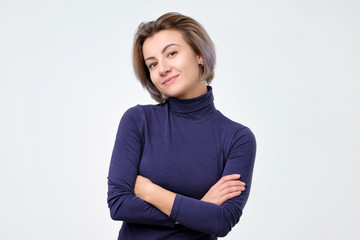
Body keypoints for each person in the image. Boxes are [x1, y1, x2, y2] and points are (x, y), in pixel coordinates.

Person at [107, 12, 256, 240]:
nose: (162, 68)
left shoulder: (237, 138)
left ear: (199, 54)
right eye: (153, 63)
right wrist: (200, 207)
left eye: (172, 53)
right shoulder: (138, 121)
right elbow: (119, 204)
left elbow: (221, 220)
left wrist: (150, 192)